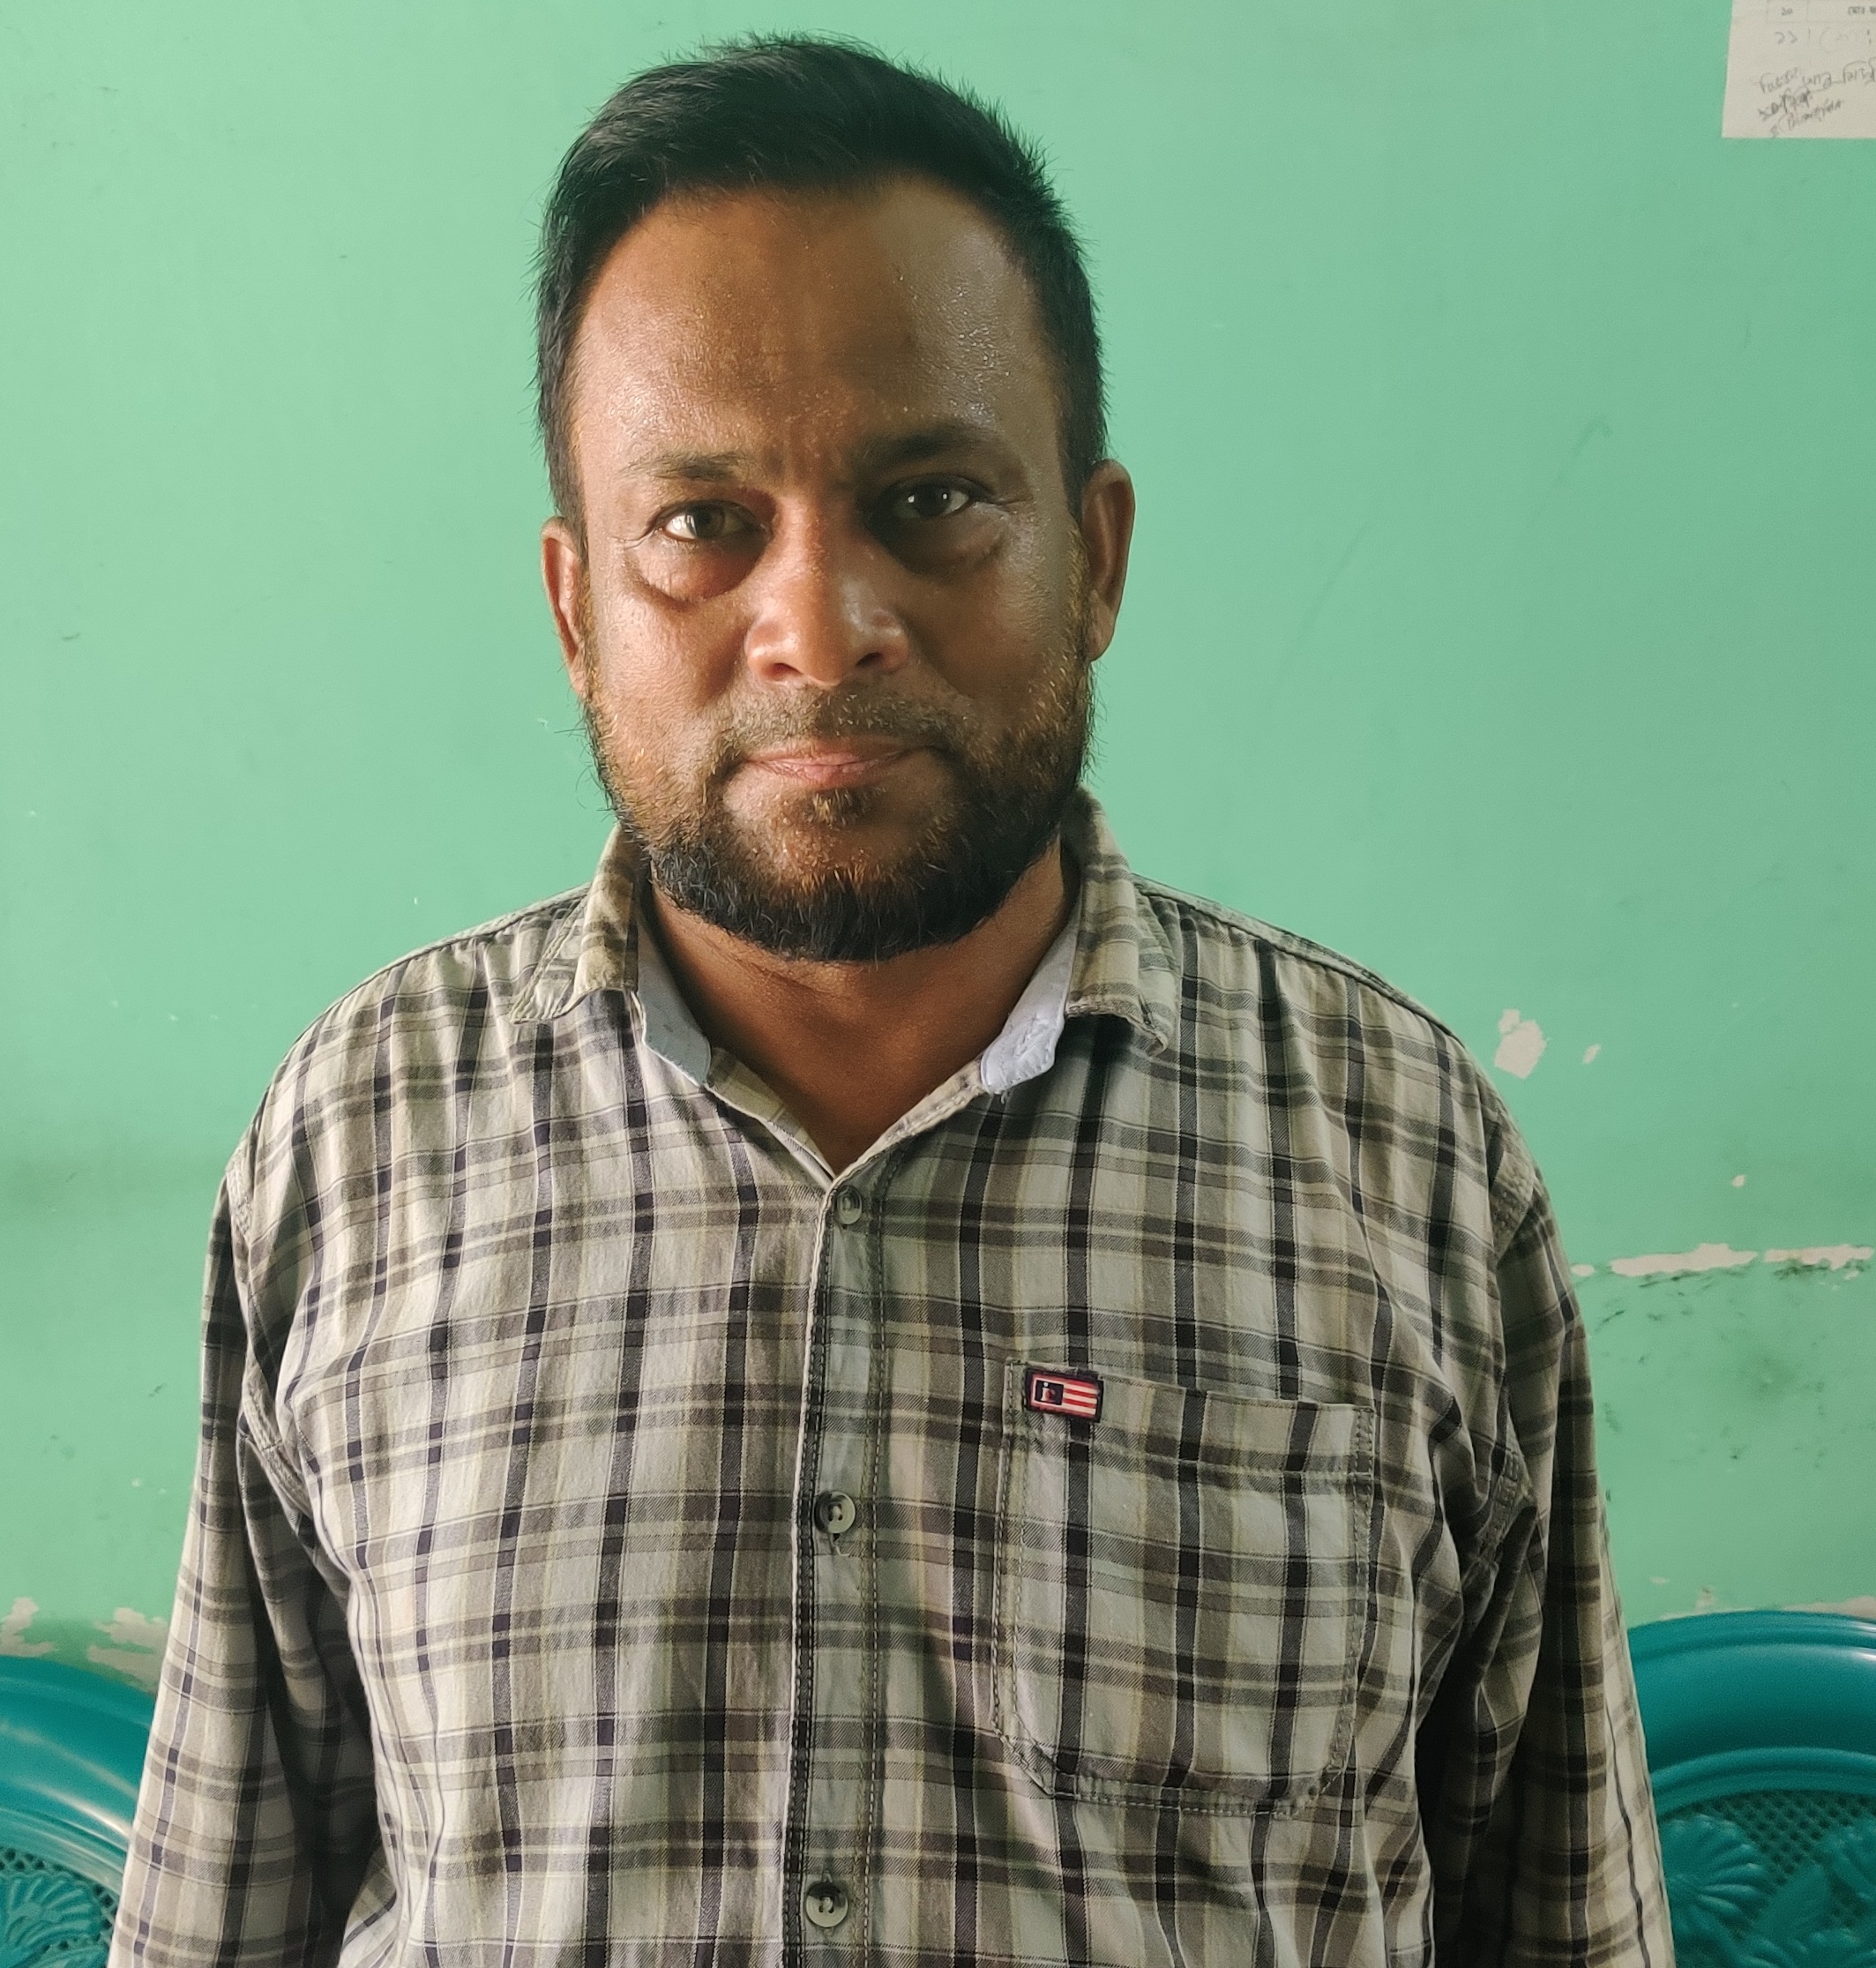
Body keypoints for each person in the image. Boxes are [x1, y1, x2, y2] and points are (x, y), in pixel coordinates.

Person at [110, 36, 1670, 1968]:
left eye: (930, 498)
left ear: (1093, 558)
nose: (818, 626)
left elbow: (1559, 1908)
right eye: (702, 523)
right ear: (577, 604)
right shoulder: (355, 1139)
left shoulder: (1401, 1156)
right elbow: (222, 1903)